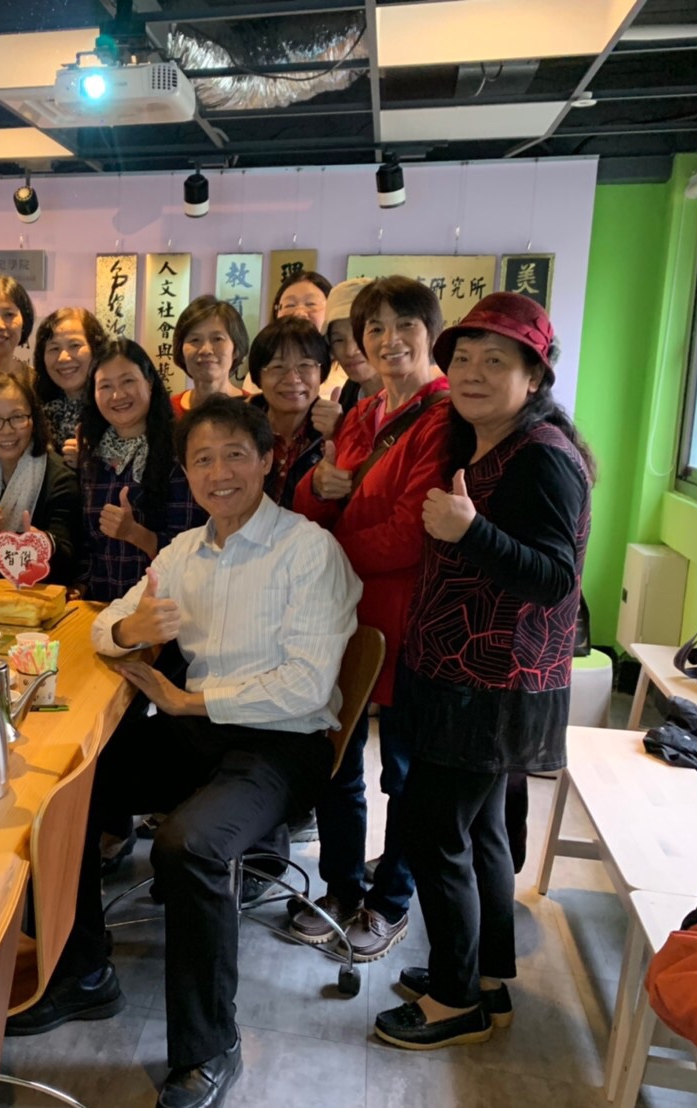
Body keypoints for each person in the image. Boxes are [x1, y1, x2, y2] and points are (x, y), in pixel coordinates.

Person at [7, 396, 361, 1108]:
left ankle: (208, 1048)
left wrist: (185, 701)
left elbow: (304, 686)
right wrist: (131, 630)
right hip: (196, 733)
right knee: (59, 791)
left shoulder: (307, 550)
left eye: (235, 455)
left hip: (281, 745)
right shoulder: (182, 552)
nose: (219, 472)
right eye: (202, 459)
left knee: (188, 845)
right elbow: (108, 625)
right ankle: (82, 973)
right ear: (187, 472)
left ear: (267, 461)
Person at [376, 293, 592, 1049]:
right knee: (484, 832)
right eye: (462, 358)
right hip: (470, 677)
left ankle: (453, 1000)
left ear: (534, 376)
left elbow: (556, 579)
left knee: (434, 830)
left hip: (491, 684)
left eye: (494, 360)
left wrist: (470, 532)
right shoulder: (488, 443)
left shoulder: (542, 457)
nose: (471, 372)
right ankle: (485, 979)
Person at [290, 275, 452, 962]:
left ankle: (391, 901)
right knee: (339, 760)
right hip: (350, 621)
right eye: (374, 328)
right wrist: (321, 488)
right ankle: (341, 887)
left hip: (412, 624)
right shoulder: (364, 411)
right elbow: (311, 504)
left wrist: (328, 552)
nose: (389, 340)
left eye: (404, 324)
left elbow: (411, 535)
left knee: (405, 775)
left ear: (431, 331)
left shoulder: (443, 418)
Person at [78, 339, 205, 603]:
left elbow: (192, 549)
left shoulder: (180, 450)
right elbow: (87, 544)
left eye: (128, 381)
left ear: (149, 382)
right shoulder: (93, 454)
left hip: (162, 608)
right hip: (101, 607)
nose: (117, 395)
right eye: (105, 386)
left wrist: (133, 533)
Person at [0, 375, 82, 586]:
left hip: (42, 598)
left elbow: (68, 559)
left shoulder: (60, 479)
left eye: (17, 417)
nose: (7, 430)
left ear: (33, 421)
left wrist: (43, 543)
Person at [246, 317, 330, 508]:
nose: (292, 379)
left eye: (305, 365)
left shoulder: (337, 433)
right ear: (258, 375)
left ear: (322, 372)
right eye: (278, 367)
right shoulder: (238, 429)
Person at [33, 307, 106, 468]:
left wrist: (91, 462)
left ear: (95, 349)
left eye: (74, 345)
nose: (64, 357)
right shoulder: (35, 410)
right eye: (54, 348)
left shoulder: (113, 406)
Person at [311, 277, 379, 436]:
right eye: (338, 340)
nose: (350, 351)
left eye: (360, 335)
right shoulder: (351, 391)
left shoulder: (408, 400)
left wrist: (343, 430)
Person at [169, 296, 251, 416]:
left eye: (217, 339)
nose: (206, 350)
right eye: (195, 340)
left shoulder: (254, 408)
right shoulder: (167, 411)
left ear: (236, 350)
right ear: (181, 351)